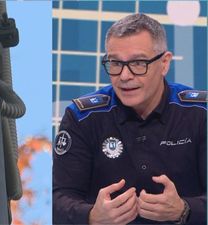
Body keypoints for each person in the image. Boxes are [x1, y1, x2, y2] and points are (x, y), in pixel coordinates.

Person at [53, 13, 206, 225]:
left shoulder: (200, 114)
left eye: (138, 63)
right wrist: (90, 216)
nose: (124, 76)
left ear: (164, 63)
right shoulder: (82, 117)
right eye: (115, 63)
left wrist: (185, 210)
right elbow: (57, 198)